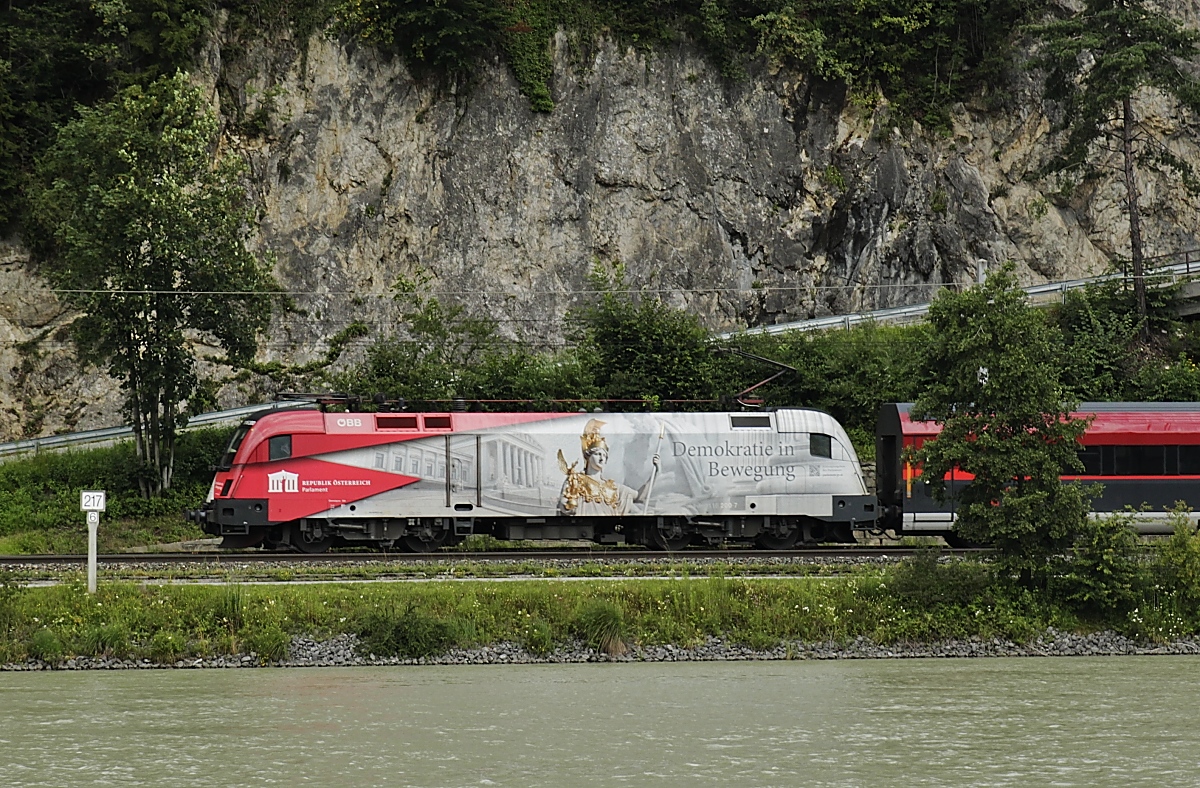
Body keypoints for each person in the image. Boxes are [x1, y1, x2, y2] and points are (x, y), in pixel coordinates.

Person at [558, 419, 660, 516]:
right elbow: (565, 505)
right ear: (588, 457)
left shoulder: (613, 487)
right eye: (597, 454)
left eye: (604, 456)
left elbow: (639, 496)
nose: (601, 458)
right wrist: (570, 505)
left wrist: (656, 472)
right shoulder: (576, 479)